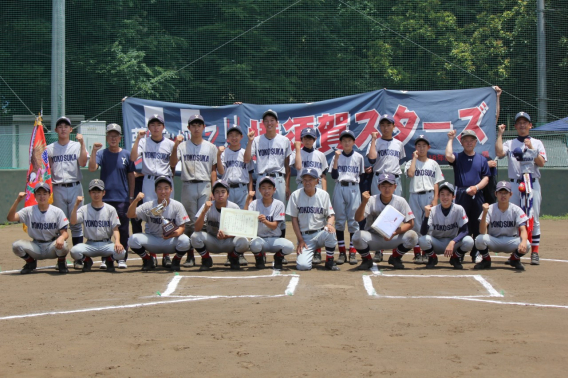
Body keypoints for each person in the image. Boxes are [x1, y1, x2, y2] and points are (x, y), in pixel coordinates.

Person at [495, 112, 546, 266]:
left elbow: (541, 163)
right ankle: (515, 254)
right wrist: (500, 134)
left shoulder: (537, 143)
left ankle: (535, 252)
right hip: (516, 184)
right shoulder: (510, 143)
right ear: (515, 126)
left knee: (534, 218)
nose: (522, 125)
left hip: (532, 182)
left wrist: (532, 149)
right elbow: (499, 153)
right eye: (519, 122)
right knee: (515, 219)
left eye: (525, 122)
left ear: (530, 125)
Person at [169, 114, 219, 268]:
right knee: (189, 222)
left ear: (204, 127)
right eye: (193, 125)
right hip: (188, 184)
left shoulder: (211, 147)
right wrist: (175, 146)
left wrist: (213, 188)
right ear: (189, 128)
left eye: (199, 125)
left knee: (203, 222)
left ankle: (205, 256)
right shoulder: (182, 146)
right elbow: (172, 163)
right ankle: (190, 256)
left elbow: (213, 170)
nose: (196, 128)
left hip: (205, 185)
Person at [130, 114, 175, 268]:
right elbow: (133, 157)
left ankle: (166, 255)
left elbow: (174, 163)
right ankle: (152, 255)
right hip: (149, 181)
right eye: (153, 125)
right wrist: (137, 139)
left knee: (167, 216)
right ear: (149, 128)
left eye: (158, 125)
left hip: (164, 180)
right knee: (151, 216)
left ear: (163, 127)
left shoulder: (169, 143)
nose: (156, 128)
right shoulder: (143, 141)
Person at [88, 123, 134, 269]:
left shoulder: (126, 154)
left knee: (123, 229)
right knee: (105, 230)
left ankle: (122, 258)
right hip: (105, 199)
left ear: (120, 138)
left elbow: (131, 176)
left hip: (122, 198)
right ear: (107, 138)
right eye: (110, 136)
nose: (113, 138)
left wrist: (131, 196)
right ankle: (106, 258)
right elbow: (91, 168)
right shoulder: (102, 153)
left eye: (116, 136)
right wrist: (94, 151)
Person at [46, 116, 88, 269]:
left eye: (66, 126)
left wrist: (83, 143)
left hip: (75, 186)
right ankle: (61, 259)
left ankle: (78, 258)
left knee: (76, 223)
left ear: (71, 130)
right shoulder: (49, 149)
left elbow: (83, 163)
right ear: (56, 130)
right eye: (60, 126)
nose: (63, 129)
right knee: (60, 226)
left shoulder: (77, 146)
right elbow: (45, 170)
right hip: (57, 188)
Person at [352, 173, 418, 270]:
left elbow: (410, 223)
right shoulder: (371, 200)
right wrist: (364, 202)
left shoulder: (400, 201)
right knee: (357, 237)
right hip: (374, 237)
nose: (387, 189)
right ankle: (367, 260)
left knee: (413, 236)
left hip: (392, 237)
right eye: (383, 186)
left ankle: (395, 257)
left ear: (395, 187)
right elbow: (358, 219)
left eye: (390, 186)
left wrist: (395, 232)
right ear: (379, 187)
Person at [244, 109, 292, 239]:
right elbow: (247, 159)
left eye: (272, 120)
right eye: (266, 121)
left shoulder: (284, 140)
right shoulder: (256, 140)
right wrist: (249, 141)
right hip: (262, 178)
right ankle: (260, 248)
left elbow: (288, 166)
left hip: (279, 178)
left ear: (277, 123)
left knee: (280, 214)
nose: (269, 123)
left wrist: (287, 186)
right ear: (263, 123)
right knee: (260, 213)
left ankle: (280, 249)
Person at [127, 176, 191, 272]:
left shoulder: (177, 206)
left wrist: (172, 234)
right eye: (159, 188)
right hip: (153, 240)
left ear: (171, 189)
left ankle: (176, 260)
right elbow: (130, 215)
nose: (163, 191)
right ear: (155, 190)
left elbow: (182, 228)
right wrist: (136, 200)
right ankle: (147, 260)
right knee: (132, 240)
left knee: (186, 241)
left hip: (169, 241)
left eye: (166, 188)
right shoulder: (149, 205)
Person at [445, 129, 490, 263]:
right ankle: (460, 253)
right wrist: (451, 139)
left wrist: (476, 188)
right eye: (466, 140)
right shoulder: (458, 157)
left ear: (476, 142)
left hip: (477, 194)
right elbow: (448, 156)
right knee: (462, 224)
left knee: (477, 224)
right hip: (461, 194)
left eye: (471, 140)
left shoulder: (482, 159)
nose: (469, 143)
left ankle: (476, 253)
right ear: (462, 142)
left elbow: (486, 178)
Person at [7, 183, 70, 274]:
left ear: (49, 195)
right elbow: (11, 218)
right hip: (35, 247)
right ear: (35, 196)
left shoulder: (57, 211)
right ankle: (30, 262)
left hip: (52, 247)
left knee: (63, 245)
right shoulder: (28, 211)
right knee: (16, 246)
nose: (42, 196)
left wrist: (62, 237)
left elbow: (65, 233)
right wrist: (17, 201)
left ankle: (61, 262)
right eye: (39, 194)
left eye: (44, 193)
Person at [286, 168, 339, 271]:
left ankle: (329, 260)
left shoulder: (324, 195)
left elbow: (331, 214)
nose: (307, 182)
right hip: (305, 237)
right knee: (303, 266)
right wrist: (300, 240)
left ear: (317, 181)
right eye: (305, 179)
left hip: (320, 234)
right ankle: (312, 252)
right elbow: (294, 219)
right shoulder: (295, 195)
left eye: (310, 179)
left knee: (330, 231)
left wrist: (330, 224)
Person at [191, 180, 249, 271]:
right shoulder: (207, 206)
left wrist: (227, 236)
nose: (220, 194)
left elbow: (240, 230)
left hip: (228, 242)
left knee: (244, 241)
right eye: (217, 192)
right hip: (212, 240)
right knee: (194, 236)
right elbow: (197, 228)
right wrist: (204, 211)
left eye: (223, 192)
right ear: (213, 195)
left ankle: (233, 258)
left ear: (228, 194)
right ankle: (206, 259)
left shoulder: (234, 207)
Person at [217, 124, 254, 267]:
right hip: (227, 189)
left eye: (236, 135)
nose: (234, 137)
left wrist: (250, 193)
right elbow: (220, 171)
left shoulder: (246, 152)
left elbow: (250, 173)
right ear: (227, 138)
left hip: (242, 188)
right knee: (228, 222)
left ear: (241, 137)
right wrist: (219, 155)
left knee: (241, 222)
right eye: (231, 135)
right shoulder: (224, 153)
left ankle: (240, 253)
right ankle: (230, 254)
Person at [69, 179, 125, 272]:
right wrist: (76, 205)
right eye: (93, 192)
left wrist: (117, 242)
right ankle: (87, 261)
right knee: (74, 251)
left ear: (103, 193)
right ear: (89, 193)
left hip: (106, 243)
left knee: (122, 253)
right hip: (90, 244)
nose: (96, 195)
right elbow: (73, 222)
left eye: (98, 192)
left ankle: (109, 260)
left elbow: (115, 229)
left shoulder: (110, 209)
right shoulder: (84, 209)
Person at [404, 135, 444, 264]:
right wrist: (414, 159)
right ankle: (417, 253)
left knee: (428, 225)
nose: (421, 148)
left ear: (428, 147)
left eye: (424, 146)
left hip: (429, 194)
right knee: (415, 225)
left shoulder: (433, 164)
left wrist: (435, 199)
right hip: (414, 195)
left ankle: (426, 252)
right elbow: (410, 174)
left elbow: (436, 182)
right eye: (419, 146)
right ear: (415, 148)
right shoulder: (411, 163)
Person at [474, 181, 530, 271]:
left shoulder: (516, 209)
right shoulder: (490, 208)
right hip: (494, 241)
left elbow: (523, 229)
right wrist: (484, 213)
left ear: (510, 194)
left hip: (510, 241)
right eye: (500, 192)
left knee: (527, 244)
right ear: (496, 194)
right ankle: (486, 260)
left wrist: (523, 241)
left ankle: (514, 259)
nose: (503, 195)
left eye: (505, 193)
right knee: (479, 239)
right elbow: (482, 231)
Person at [418, 182, 474, 269]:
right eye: (442, 194)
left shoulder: (459, 209)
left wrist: (453, 241)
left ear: (453, 197)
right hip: (437, 242)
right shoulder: (432, 210)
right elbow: (423, 232)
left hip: (453, 242)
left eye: (448, 194)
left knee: (469, 241)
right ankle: (432, 258)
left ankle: (455, 258)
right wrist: (426, 216)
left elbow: (465, 230)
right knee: (422, 240)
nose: (445, 197)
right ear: (439, 196)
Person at [331, 130, 365, 265]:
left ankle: (352, 252)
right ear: (341, 143)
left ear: (354, 142)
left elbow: (361, 177)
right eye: (344, 140)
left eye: (349, 140)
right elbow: (333, 176)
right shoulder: (336, 156)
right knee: (339, 221)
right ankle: (341, 253)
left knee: (353, 221)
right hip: (339, 186)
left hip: (354, 187)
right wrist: (336, 160)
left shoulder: (359, 157)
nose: (346, 142)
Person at [245, 177, 293, 270]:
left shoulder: (279, 204)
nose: (266, 191)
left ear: (274, 190)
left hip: (275, 239)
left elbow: (275, 226)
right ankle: (259, 259)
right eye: (263, 188)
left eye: (269, 188)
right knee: (253, 245)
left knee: (289, 246)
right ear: (259, 190)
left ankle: (278, 257)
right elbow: (246, 218)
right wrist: (247, 200)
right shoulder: (254, 204)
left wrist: (265, 221)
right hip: (260, 239)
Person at [367, 114, 405, 196]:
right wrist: (373, 139)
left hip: (394, 178)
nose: (386, 128)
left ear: (394, 126)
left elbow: (399, 161)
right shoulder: (375, 142)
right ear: (379, 127)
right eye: (383, 125)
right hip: (379, 177)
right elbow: (372, 159)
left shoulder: (399, 144)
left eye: (388, 125)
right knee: (377, 206)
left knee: (395, 206)